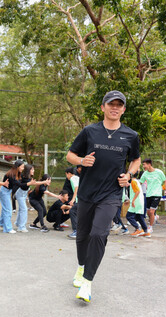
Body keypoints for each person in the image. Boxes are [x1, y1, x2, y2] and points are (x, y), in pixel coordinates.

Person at [66, 90, 141, 302]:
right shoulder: (89, 131)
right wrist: (81, 161)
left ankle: (87, 282)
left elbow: (135, 160)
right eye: (111, 104)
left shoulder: (131, 135)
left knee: (99, 235)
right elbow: (70, 154)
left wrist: (129, 174)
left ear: (123, 109)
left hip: (111, 194)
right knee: (82, 236)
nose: (115, 107)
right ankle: (81, 268)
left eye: (119, 104)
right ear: (103, 107)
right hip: (88, 192)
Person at [15, 164, 44, 232]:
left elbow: (35, 183)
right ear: (28, 170)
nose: (34, 171)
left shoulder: (29, 178)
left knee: (21, 210)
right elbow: (21, 185)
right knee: (24, 209)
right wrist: (30, 183)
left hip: (24, 194)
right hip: (20, 194)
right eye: (32, 169)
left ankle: (18, 223)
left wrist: (44, 182)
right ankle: (21, 227)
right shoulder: (23, 177)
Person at [0, 160, 25, 234]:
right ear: (18, 166)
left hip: (7, 191)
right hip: (4, 192)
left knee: (5, 209)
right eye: (22, 167)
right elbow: (19, 184)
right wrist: (29, 183)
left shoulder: (17, 174)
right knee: (8, 210)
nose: (23, 168)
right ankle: (8, 228)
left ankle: (1, 223)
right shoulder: (11, 175)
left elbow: (21, 182)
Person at [140, 159, 166, 228]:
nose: (143, 166)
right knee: (148, 213)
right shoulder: (145, 173)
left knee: (151, 212)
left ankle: (150, 227)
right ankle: (155, 217)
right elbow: (140, 182)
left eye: (144, 164)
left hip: (157, 194)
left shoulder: (159, 172)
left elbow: (165, 181)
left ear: (149, 164)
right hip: (148, 194)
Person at [65, 167, 79, 239]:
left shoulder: (72, 178)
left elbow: (76, 188)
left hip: (79, 199)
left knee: (72, 211)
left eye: (66, 175)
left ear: (69, 174)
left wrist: (73, 199)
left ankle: (76, 231)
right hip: (82, 199)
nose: (66, 176)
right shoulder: (77, 177)